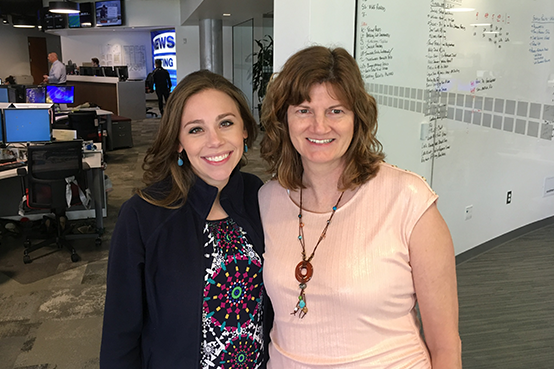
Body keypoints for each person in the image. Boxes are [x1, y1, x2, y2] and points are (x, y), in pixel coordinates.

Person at [259, 46, 461, 368]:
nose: (319, 126)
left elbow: (446, 346)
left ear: (358, 118)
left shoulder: (408, 199)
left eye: (336, 110)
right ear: (284, 118)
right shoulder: (267, 199)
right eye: (303, 110)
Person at [100, 69, 270, 368]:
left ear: (244, 129)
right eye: (195, 129)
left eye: (226, 123)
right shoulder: (142, 216)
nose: (215, 141)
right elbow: (120, 333)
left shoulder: (258, 195)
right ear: (178, 141)